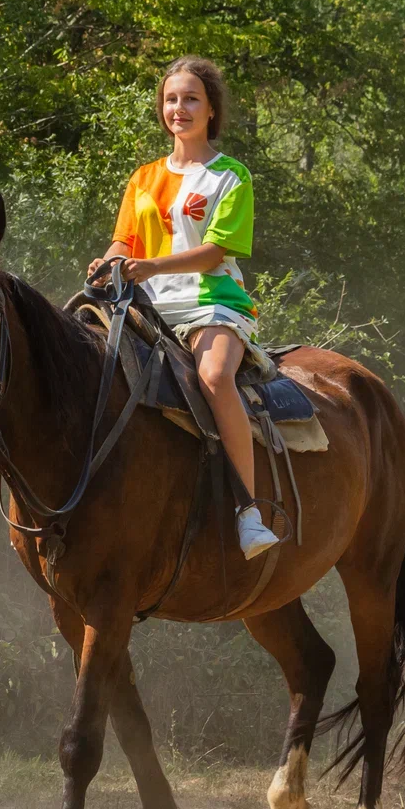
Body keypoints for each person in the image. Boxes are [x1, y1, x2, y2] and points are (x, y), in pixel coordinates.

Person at [87, 55, 280, 559]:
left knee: (215, 377)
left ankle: (249, 513)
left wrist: (149, 266)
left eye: (191, 98)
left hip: (211, 302)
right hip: (145, 305)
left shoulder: (230, 176)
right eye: (171, 99)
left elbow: (218, 252)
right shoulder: (143, 178)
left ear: (211, 109)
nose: (180, 108)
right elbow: (122, 243)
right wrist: (105, 264)